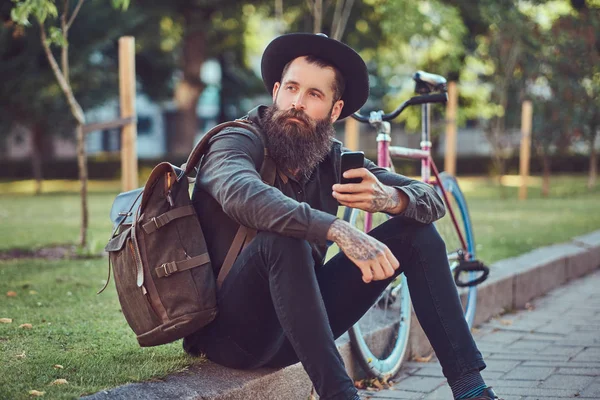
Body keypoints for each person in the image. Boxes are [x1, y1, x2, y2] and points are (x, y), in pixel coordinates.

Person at [183, 32, 501, 400]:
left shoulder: (330, 158)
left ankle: (471, 390)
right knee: (284, 237)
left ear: (335, 110)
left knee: (418, 236)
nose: (297, 103)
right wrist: (337, 229)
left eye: (314, 95)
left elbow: (430, 197)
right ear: (275, 91)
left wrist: (391, 198)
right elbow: (242, 194)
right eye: (291, 89)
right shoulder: (235, 141)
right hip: (231, 335)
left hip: (299, 329)